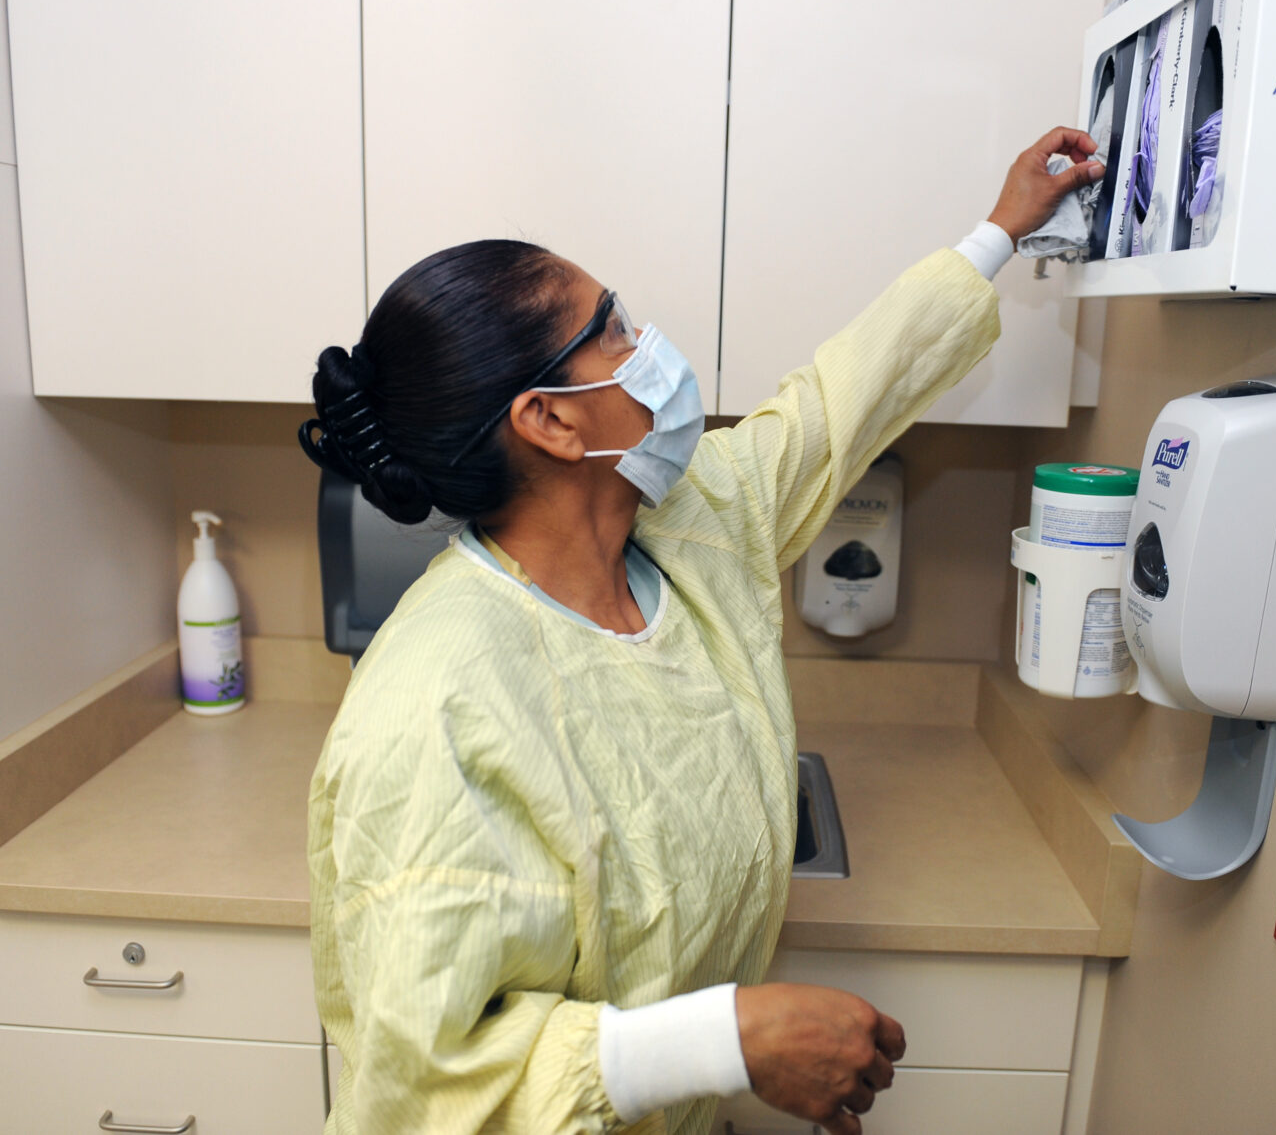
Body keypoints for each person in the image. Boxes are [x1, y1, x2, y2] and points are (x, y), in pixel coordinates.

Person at [298, 127, 1103, 1135]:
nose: (651, 348)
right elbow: (430, 1082)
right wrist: (730, 1040)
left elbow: (836, 405)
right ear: (551, 420)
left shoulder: (687, 529)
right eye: (615, 330)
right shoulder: (435, 702)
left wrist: (999, 231)